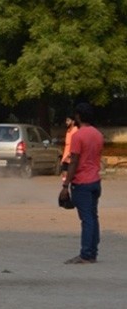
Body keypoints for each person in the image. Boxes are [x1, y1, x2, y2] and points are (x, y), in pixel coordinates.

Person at [61, 103, 104, 264]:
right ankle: (92, 252)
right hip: (95, 181)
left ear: (78, 116)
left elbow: (74, 162)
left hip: (82, 183)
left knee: (86, 219)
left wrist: (66, 185)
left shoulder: (77, 136)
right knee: (93, 216)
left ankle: (85, 254)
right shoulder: (98, 134)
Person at [60, 115, 78, 181]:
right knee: (64, 176)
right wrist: (63, 158)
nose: (66, 122)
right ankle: (66, 188)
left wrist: (70, 154)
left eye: (68, 120)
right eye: (66, 120)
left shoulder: (75, 130)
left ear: (73, 122)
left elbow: (75, 144)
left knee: (72, 176)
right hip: (66, 157)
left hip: (71, 157)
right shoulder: (68, 131)